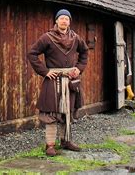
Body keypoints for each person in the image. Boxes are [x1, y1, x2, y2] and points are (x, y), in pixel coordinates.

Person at [27, 8, 89, 156]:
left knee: (67, 112)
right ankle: (50, 145)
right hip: (53, 82)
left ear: (69, 21)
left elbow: (85, 52)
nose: (64, 20)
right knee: (51, 113)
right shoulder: (47, 38)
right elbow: (32, 53)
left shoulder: (76, 38)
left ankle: (66, 141)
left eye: (67, 18)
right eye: (61, 18)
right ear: (56, 21)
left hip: (70, 81)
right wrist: (46, 71)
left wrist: (79, 69)